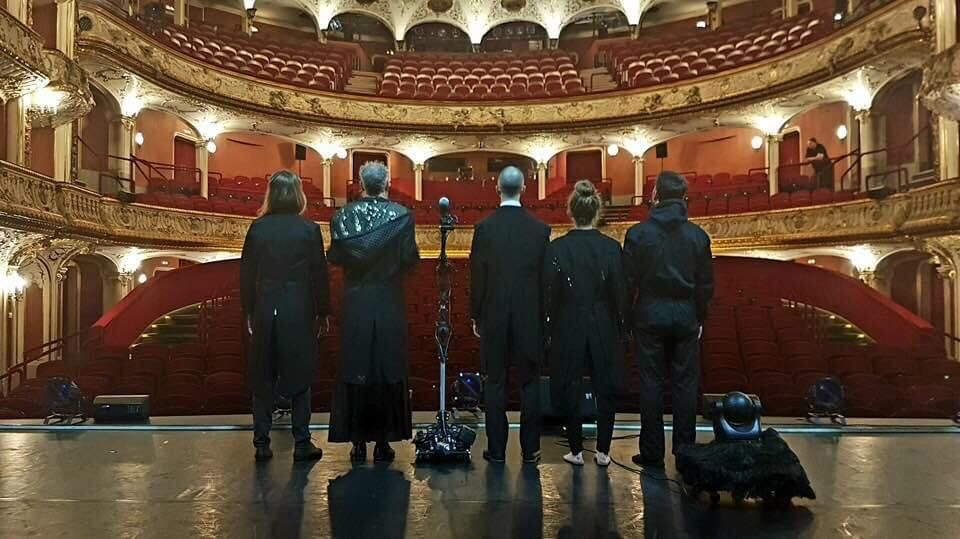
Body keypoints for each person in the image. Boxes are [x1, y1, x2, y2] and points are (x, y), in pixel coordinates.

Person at [328, 161, 419, 462]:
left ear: (360, 184)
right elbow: (409, 259)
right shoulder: (402, 216)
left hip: (356, 301)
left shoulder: (342, 216)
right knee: (385, 369)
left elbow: (335, 257)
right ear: (387, 183)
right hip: (389, 300)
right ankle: (383, 442)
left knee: (356, 367)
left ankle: (357, 442)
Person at [623, 171, 714, 468]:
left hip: (649, 314)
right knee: (685, 385)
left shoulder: (638, 234)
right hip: (686, 316)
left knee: (651, 384)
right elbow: (705, 285)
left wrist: (628, 319)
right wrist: (699, 317)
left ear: (656, 196)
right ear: (683, 198)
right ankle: (685, 451)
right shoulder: (698, 236)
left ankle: (652, 452)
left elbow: (628, 283)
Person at [240, 170, 330, 462]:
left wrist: (249, 310)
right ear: (297, 195)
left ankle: (261, 443)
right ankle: (302, 441)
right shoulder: (309, 230)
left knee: (263, 373)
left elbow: (246, 275)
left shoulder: (258, 228)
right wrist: (323, 311)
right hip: (298, 308)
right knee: (300, 373)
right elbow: (319, 275)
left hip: (266, 306)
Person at [470, 165, 551, 464]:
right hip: (530, 318)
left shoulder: (484, 229)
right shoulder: (540, 230)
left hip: (494, 316)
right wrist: (544, 317)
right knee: (530, 384)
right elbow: (545, 280)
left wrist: (476, 315)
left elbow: (477, 277)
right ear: (523, 189)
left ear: (497, 188)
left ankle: (496, 450)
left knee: (494, 383)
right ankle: (530, 450)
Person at [543, 181, 627, 467]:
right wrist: (622, 327)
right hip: (604, 324)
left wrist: (549, 327)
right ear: (597, 212)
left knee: (571, 386)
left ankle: (576, 451)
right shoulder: (612, 248)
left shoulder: (557, 248)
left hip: (568, 324)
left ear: (571, 212)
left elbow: (550, 294)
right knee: (605, 388)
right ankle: (603, 451)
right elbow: (620, 294)